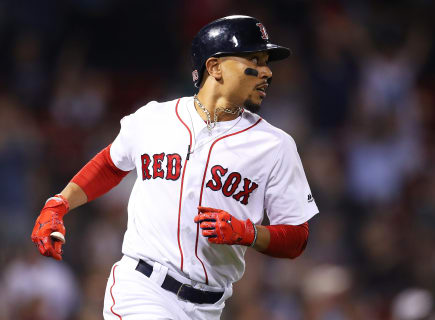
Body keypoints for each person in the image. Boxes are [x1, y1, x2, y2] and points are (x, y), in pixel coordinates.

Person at [31, 15, 319, 319]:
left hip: (209, 307)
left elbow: (296, 238)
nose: (267, 72)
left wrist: (249, 233)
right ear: (215, 67)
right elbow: (110, 164)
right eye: (254, 60)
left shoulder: (276, 145)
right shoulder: (154, 118)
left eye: (267, 62)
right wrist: (58, 204)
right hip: (142, 288)